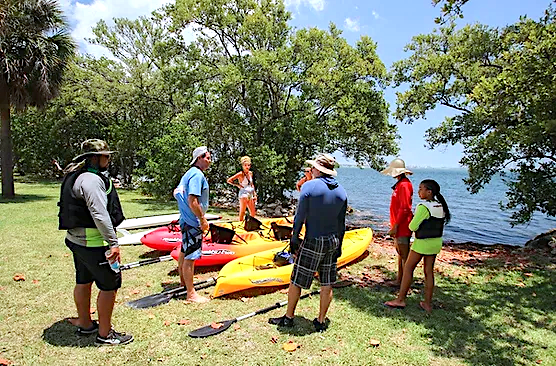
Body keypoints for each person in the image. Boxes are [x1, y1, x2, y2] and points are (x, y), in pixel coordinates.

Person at [58, 139, 133, 346]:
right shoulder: (91, 180)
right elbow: (99, 215)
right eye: (105, 156)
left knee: (83, 280)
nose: (108, 159)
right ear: (94, 158)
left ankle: (85, 323)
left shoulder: (76, 176)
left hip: (76, 241)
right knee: (109, 285)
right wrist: (113, 243)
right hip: (94, 244)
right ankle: (105, 334)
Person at [269, 154, 347, 332]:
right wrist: (339, 245)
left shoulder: (309, 186)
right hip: (333, 240)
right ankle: (320, 320)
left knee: (297, 279)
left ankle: (288, 317)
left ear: (318, 169)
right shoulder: (341, 191)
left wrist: (294, 238)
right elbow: (341, 223)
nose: (310, 169)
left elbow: (300, 217)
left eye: (312, 167)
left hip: (314, 239)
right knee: (327, 282)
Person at [384, 179, 451, 313]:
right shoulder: (440, 205)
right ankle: (427, 303)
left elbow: (412, 226)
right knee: (428, 272)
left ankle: (400, 299)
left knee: (408, 268)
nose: (419, 191)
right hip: (435, 242)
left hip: (422, 243)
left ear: (429, 192)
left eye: (421, 189)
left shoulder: (423, 207)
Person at [174, 146, 212, 303]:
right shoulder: (197, 175)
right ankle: (191, 294)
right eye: (207, 157)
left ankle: (184, 283)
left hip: (185, 219)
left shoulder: (188, 174)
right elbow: (192, 200)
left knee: (184, 252)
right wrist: (202, 219)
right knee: (191, 256)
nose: (210, 160)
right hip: (192, 221)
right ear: (199, 158)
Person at [381, 158, 413, 287]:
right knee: (400, 254)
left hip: (403, 226)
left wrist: (396, 226)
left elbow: (405, 208)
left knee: (405, 256)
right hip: (398, 224)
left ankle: (405, 284)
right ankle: (400, 280)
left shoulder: (405, 185)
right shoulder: (400, 184)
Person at [226, 155, 257, 221]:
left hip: (250, 193)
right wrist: (237, 185)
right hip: (244, 193)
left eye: (248, 165)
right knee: (242, 211)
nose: (247, 167)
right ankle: (240, 224)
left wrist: (255, 194)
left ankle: (251, 224)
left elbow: (252, 184)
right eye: (245, 165)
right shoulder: (240, 174)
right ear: (243, 166)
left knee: (253, 211)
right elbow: (229, 180)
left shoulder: (250, 173)